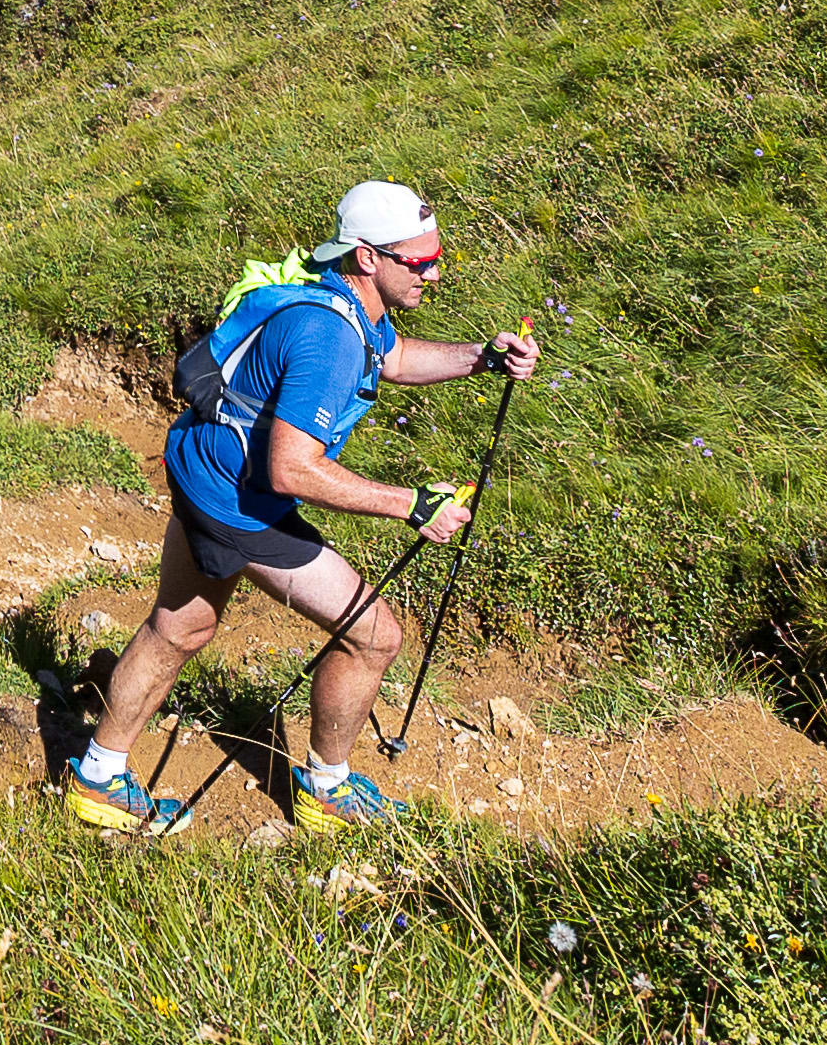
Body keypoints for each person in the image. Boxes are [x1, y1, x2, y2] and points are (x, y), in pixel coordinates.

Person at [62, 181, 540, 841]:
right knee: (374, 636)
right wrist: (412, 504)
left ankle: (96, 777)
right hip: (242, 502)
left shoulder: (346, 300)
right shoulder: (327, 338)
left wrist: (482, 359)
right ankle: (326, 791)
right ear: (369, 258)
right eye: (421, 262)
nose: (434, 273)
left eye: (438, 258)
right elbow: (292, 468)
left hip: (204, 465)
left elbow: (393, 357)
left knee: (178, 628)